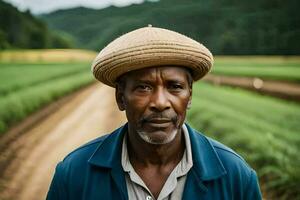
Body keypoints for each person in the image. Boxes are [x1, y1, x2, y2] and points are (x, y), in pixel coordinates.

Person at [46, 26, 262, 200]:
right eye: (143, 87)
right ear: (121, 97)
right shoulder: (74, 174)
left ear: (190, 96)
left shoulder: (237, 177)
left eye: (174, 87)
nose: (160, 103)